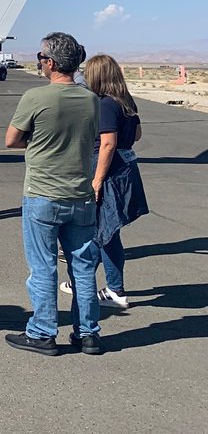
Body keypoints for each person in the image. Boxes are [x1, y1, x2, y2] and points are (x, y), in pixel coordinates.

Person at [4, 32, 102, 356]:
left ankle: (43, 332)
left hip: (43, 194)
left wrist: (38, 143)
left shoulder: (35, 98)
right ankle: (88, 332)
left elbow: (12, 140)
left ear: (50, 62)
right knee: (84, 268)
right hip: (81, 195)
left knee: (43, 267)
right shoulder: (91, 99)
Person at [59, 53, 148, 309]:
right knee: (105, 232)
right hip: (126, 169)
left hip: (109, 173)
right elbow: (138, 134)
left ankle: (115, 290)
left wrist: (97, 180)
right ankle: (81, 280)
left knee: (105, 233)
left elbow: (108, 143)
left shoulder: (105, 104)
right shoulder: (125, 100)